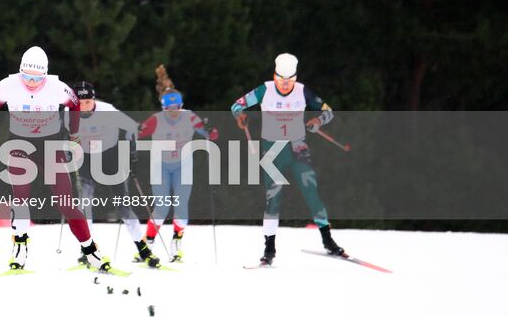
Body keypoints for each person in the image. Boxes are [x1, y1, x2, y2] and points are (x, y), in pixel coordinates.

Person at [0, 46, 111, 271]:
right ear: (20, 71)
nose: (31, 82)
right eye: (27, 77)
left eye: (37, 78)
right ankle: (20, 246)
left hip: (50, 145)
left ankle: (91, 250)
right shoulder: (8, 85)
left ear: (45, 74)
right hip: (19, 145)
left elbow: (73, 106)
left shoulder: (57, 87)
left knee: (66, 202)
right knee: (20, 197)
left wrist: (73, 134)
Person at [230, 52, 346, 265]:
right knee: (273, 199)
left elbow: (328, 111)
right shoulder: (264, 90)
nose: (284, 84)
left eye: (289, 80)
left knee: (312, 193)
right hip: (272, 152)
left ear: (295, 77)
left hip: (297, 149)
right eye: (280, 79)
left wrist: (318, 121)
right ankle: (269, 248)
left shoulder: (302, 91)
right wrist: (241, 116)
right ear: (275, 76)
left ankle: (328, 241)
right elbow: (236, 106)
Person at [70, 80, 161, 268]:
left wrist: (132, 155)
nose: (84, 106)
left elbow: (131, 128)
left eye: (88, 102)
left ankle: (143, 249)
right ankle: (87, 250)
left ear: (93, 100)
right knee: (84, 204)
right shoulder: (67, 113)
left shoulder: (107, 110)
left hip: (110, 157)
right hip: (86, 159)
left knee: (123, 206)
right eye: (80, 103)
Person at [136, 65, 218, 261]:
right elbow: (136, 134)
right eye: (169, 109)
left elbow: (212, 136)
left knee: (181, 205)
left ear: (181, 105)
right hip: (161, 166)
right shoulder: (156, 120)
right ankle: (148, 244)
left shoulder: (189, 116)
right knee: (162, 206)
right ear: (163, 108)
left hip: (183, 165)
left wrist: (209, 128)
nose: (174, 112)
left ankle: (176, 244)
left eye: (177, 108)